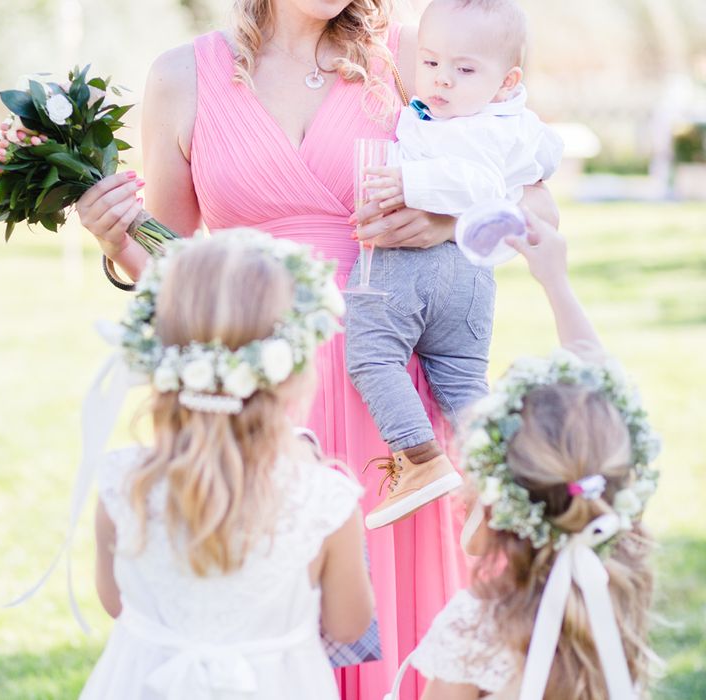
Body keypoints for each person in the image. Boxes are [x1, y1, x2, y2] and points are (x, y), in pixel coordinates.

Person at [76, 2, 559, 696]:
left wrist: (446, 219)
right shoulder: (182, 77)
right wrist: (117, 239)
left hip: (393, 394)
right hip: (258, 401)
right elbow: (178, 271)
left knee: (401, 616)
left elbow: (538, 215)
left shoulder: (422, 55)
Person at [81, 229, 373, 699]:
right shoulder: (323, 500)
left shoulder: (124, 483)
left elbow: (117, 603)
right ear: (291, 369)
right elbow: (349, 623)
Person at [386, 210, 660, 700]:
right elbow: (607, 394)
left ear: (493, 505)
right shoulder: (620, 587)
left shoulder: (475, 629)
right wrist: (556, 281)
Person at [345, 0, 563, 530]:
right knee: (464, 383)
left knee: (372, 356)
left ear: (507, 81)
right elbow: (531, 167)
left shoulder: (475, 127)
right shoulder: (508, 121)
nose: (442, 81)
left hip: (410, 268)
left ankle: (419, 459)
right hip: (469, 282)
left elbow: (483, 186)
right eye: (431, 63)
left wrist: (410, 185)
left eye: (464, 71)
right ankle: (504, 484)